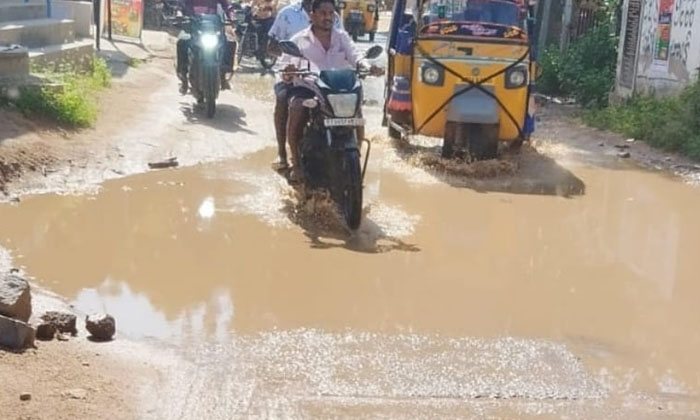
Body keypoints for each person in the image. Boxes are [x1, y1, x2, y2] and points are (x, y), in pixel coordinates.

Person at [282, 0, 383, 181]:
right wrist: (289, 71)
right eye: (323, 13)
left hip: (337, 89)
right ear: (312, 15)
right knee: (296, 107)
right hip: (309, 88)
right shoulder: (298, 40)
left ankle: (355, 155)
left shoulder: (341, 37)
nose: (327, 17)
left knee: (357, 110)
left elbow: (356, 55)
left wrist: (367, 66)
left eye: (331, 13)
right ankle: (296, 164)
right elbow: (285, 68)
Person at [268, 0, 343, 169]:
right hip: (293, 73)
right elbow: (271, 47)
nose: (327, 16)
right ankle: (283, 154)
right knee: (284, 101)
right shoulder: (287, 14)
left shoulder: (334, 15)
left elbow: (343, 45)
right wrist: (290, 62)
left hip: (325, 76)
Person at [176, 0, 235, 94]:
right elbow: (180, 5)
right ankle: (184, 78)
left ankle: (224, 75)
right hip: (193, 25)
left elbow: (227, 6)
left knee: (230, 42)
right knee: (182, 41)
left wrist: (231, 17)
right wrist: (179, 14)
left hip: (213, 27)